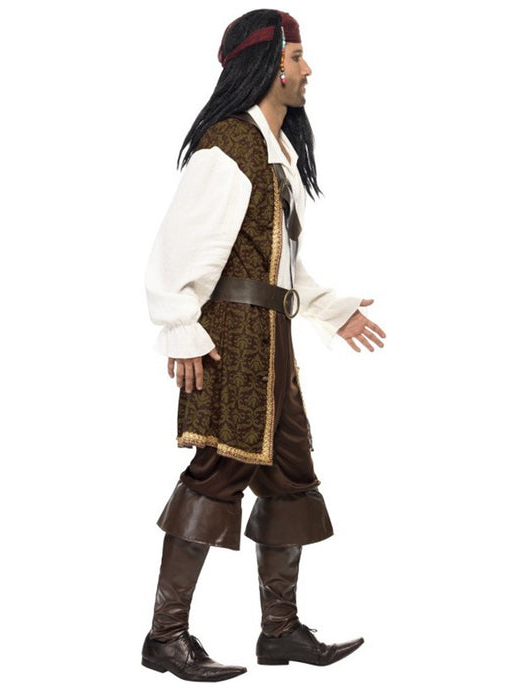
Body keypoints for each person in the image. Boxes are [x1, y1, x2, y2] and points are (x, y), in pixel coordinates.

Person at [142, 9, 386, 683]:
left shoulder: (274, 155)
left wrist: (332, 310)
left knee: (289, 476)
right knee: (217, 473)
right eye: (297, 57)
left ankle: (279, 631)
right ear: (269, 66)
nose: (308, 70)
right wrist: (180, 328)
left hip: (272, 341)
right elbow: (175, 253)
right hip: (228, 343)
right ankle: (165, 637)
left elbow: (280, 269)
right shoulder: (227, 146)